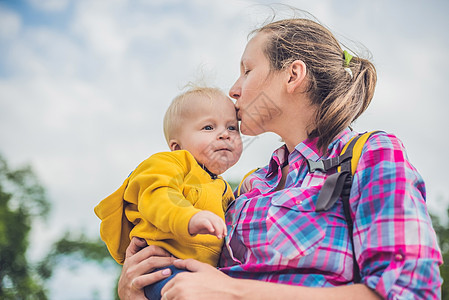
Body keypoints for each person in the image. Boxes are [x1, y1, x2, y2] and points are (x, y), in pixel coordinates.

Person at [117, 17, 443, 300]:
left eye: (247, 70)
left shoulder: (369, 155)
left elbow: (411, 292)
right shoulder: (250, 186)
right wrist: (138, 291)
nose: (233, 89)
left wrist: (234, 292)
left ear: (292, 75)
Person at [94, 86, 243, 299]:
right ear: (176, 146)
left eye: (232, 128)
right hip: (162, 268)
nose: (224, 135)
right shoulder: (169, 163)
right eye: (209, 127)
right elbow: (158, 195)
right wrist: (189, 216)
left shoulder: (222, 186)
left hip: (200, 274)